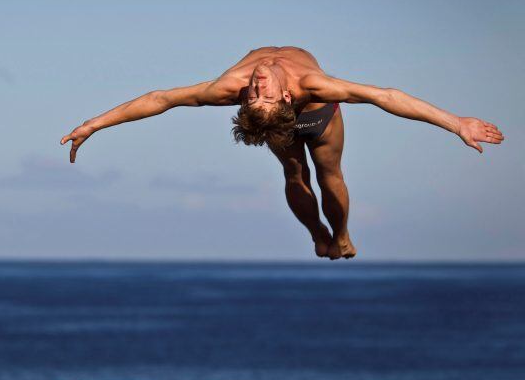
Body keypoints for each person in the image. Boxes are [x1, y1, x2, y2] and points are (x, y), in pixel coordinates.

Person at [60, 46, 505, 260]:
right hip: (301, 123)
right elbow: (159, 100)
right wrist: (94, 125)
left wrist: (456, 123)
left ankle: (342, 233)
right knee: (296, 176)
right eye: (257, 96)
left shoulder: (266, 89)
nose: (256, 87)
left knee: (330, 175)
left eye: (257, 94)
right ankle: (320, 235)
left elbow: (385, 97)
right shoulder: (281, 89)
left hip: (314, 119)